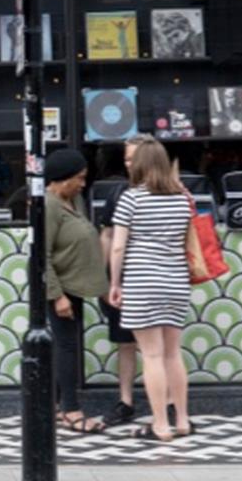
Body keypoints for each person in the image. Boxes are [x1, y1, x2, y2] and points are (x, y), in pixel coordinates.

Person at [105, 138, 197, 443]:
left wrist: (115, 283)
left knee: (152, 356)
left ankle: (160, 425)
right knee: (174, 354)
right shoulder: (182, 198)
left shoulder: (131, 199)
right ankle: (182, 419)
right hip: (176, 281)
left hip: (142, 281)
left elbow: (117, 246)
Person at [40, 147, 108, 434]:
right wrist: (58, 296)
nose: (82, 184)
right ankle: (71, 410)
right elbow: (42, 255)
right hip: (61, 291)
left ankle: (54, 406)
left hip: (76, 286)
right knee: (66, 349)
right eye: (78, 178)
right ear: (61, 177)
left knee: (65, 347)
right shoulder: (50, 206)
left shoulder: (73, 200)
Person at [95, 137, 144, 426]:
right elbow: (108, 235)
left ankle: (168, 403)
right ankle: (126, 400)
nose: (130, 164)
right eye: (126, 159)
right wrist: (105, 278)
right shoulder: (118, 193)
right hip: (124, 279)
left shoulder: (170, 192)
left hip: (148, 279)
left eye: (134, 158)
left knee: (157, 346)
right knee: (125, 343)